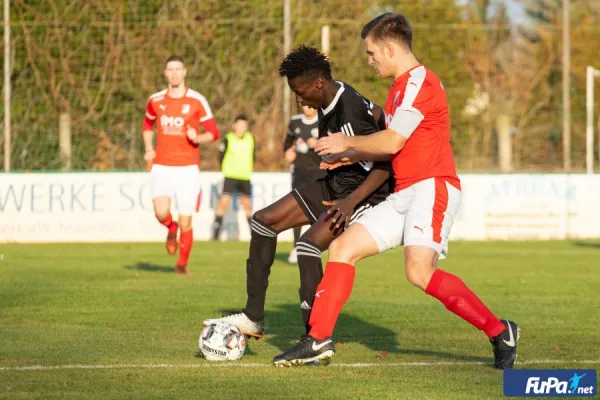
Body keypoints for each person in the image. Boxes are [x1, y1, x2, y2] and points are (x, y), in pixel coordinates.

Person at [273, 13, 519, 370]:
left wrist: (347, 140)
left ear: (390, 48)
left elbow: (392, 140)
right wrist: (348, 155)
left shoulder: (421, 82)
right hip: (403, 193)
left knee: (419, 272)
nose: (369, 60)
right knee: (343, 247)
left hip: (432, 187)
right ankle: (318, 339)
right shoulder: (400, 88)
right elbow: (389, 149)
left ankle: (500, 331)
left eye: (372, 53)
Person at [203, 45, 392, 338]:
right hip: (335, 185)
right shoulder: (332, 97)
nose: (298, 98)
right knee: (264, 220)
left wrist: (351, 202)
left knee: (306, 247)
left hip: (362, 197)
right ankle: (253, 317)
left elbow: (385, 163)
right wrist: (339, 159)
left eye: (300, 91)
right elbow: (377, 114)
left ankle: (314, 337)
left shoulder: (349, 109)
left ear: (318, 83)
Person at [142, 55, 220, 276]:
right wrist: (149, 148)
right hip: (162, 166)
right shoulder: (155, 100)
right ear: (165, 73)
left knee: (186, 219)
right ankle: (170, 227)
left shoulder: (197, 100)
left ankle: (182, 264)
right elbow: (147, 124)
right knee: (160, 212)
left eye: (178, 69)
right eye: (170, 69)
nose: (174, 73)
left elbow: (213, 133)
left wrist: (198, 138)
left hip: (187, 169)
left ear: (185, 72)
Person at [283, 105, 327, 264]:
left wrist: (319, 143)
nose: (307, 107)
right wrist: (289, 151)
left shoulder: (324, 121)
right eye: (303, 103)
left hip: (319, 172)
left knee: (317, 211)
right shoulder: (294, 122)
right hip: (299, 173)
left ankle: (314, 246)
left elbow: (333, 146)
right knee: (297, 209)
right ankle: (295, 247)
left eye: (310, 103)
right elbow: (287, 145)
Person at [212, 114, 256, 241]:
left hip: (244, 176)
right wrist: (225, 168)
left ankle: (254, 236)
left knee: (247, 206)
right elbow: (220, 156)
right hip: (231, 175)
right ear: (234, 126)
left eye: (244, 125)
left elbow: (253, 156)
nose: (242, 128)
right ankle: (215, 236)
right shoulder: (228, 138)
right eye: (240, 125)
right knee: (223, 203)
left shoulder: (250, 138)